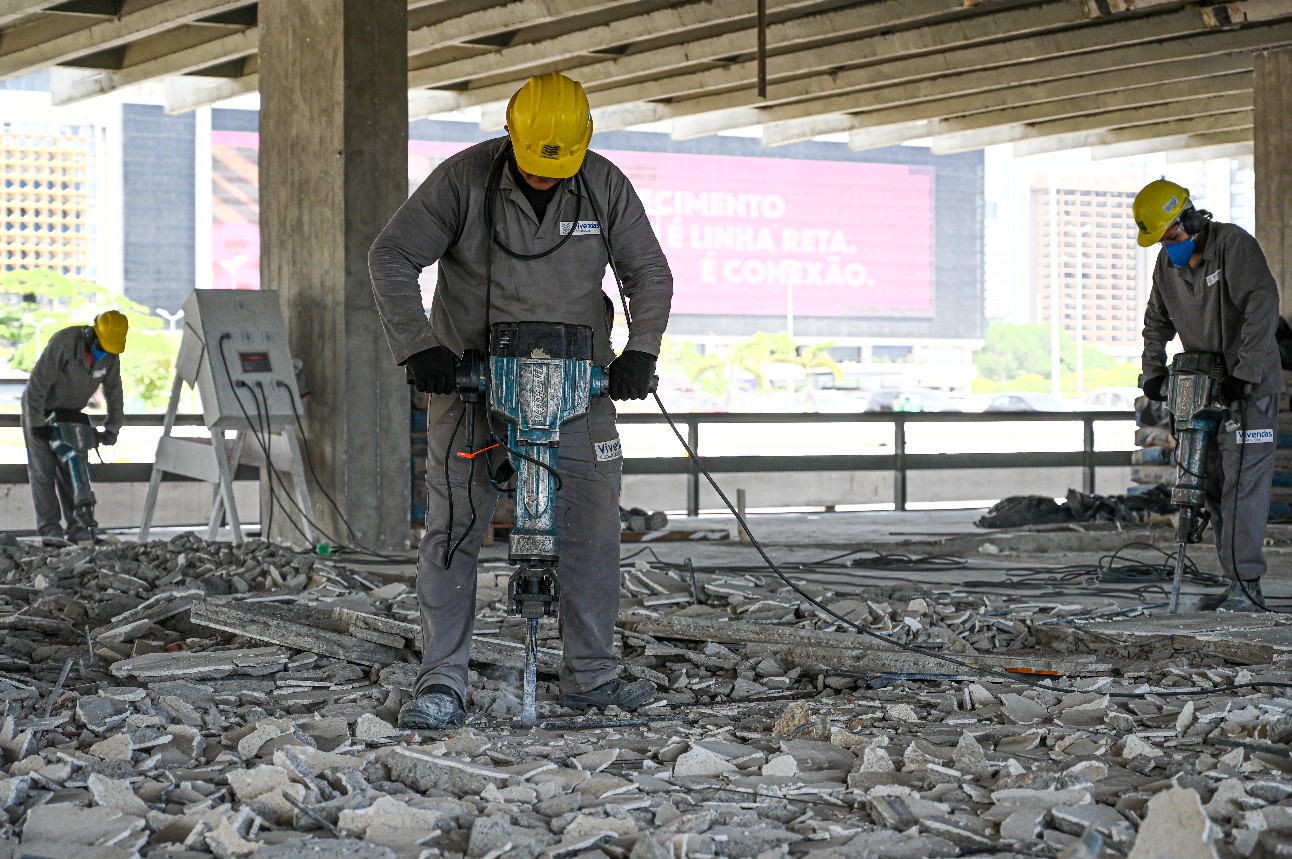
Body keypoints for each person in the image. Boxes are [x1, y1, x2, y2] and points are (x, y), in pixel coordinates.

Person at [370, 72, 673, 728]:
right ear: (511, 135)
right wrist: (419, 347)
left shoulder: (605, 184)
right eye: (534, 167)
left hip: (577, 390)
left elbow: (646, 271)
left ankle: (591, 675)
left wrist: (641, 350)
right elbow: (392, 256)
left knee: (593, 529)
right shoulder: (461, 181)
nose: (543, 179)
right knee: (452, 533)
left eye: (555, 171)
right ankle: (442, 681)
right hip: (470, 387)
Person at [1134, 178, 1282, 611]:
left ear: (1193, 218)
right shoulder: (1166, 265)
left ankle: (1247, 584)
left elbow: (1263, 303)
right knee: (1211, 484)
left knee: (1243, 486)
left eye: (1173, 234)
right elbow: (1156, 322)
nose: (1169, 244)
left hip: (1246, 391)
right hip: (1201, 385)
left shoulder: (1233, 246)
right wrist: (1152, 373)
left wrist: (1245, 371)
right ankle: (1234, 579)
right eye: (1161, 240)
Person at [22, 310, 128, 544]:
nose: (105, 354)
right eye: (102, 347)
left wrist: (112, 429)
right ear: (92, 335)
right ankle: (51, 531)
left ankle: (80, 530)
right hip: (40, 409)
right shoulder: (64, 343)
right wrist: (37, 424)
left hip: (71, 414)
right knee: (44, 472)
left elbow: (114, 393)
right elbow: (36, 387)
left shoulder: (110, 354)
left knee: (75, 471)